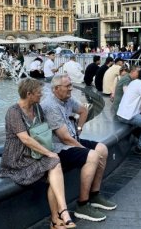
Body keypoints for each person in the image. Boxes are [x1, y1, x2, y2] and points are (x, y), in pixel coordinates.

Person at [0, 79, 76, 229]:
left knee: (55, 168)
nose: (42, 95)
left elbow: (44, 130)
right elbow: (25, 139)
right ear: (29, 94)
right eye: (39, 93)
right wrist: (49, 153)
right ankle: (59, 215)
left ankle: (59, 216)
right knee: (55, 164)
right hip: (19, 158)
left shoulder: (37, 108)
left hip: (35, 154)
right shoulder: (14, 112)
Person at [41, 74, 117, 222]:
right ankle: (82, 205)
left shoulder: (67, 99)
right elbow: (64, 138)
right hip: (59, 148)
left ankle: (94, 195)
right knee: (93, 155)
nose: (71, 88)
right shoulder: (50, 106)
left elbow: (83, 110)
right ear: (56, 89)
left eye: (71, 85)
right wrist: (84, 149)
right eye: (68, 86)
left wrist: (79, 128)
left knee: (102, 149)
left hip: (71, 140)